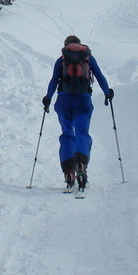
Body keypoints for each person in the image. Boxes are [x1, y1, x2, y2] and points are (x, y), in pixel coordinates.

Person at [42, 35, 112, 191]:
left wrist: (48, 98)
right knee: (82, 132)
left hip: (64, 102)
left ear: (66, 47)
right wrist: (108, 93)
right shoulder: (88, 58)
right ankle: (81, 163)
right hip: (83, 101)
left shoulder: (61, 60)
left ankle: (68, 171)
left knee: (67, 134)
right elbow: (99, 76)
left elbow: (54, 80)